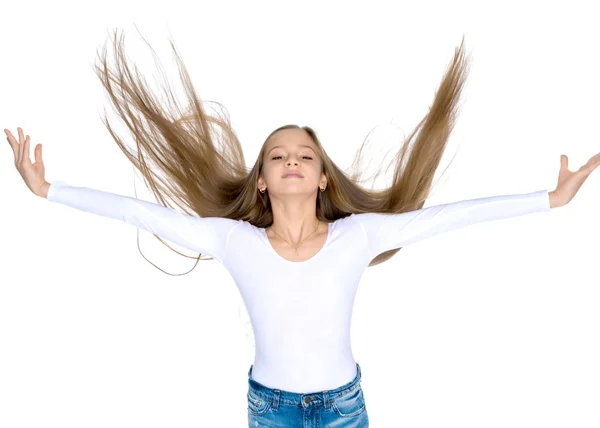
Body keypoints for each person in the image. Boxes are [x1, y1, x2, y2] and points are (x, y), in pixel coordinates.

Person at [5, 32, 597, 427]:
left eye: (306, 156)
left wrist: (549, 199)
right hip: (269, 411)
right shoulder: (230, 241)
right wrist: (48, 189)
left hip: (344, 408)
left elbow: (449, 219)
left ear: (321, 179)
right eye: (278, 155)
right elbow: (139, 213)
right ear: (261, 180)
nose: (292, 160)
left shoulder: (359, 235)